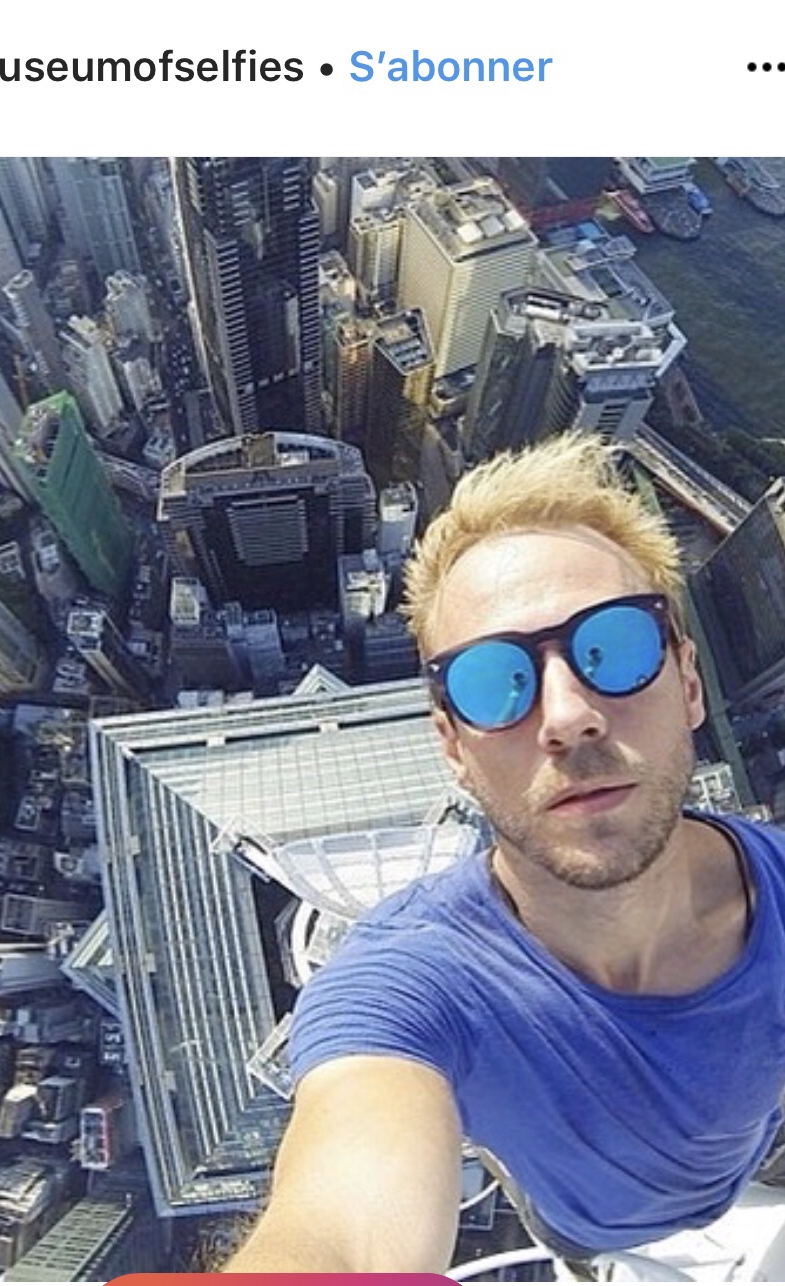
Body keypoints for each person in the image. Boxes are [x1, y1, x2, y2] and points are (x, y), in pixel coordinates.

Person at [224, 431, 785, 1275]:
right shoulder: (409, 988)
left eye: (615, 649)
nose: (567, 716)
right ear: (453, 747)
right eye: (495, 683)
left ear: (689, 683)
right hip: (582, 1225)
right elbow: (343, 1228)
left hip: (757, 1156)